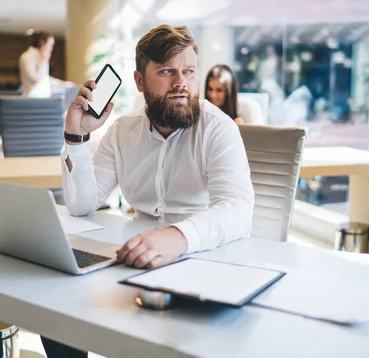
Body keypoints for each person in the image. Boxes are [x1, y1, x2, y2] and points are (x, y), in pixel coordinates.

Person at [42, 25, 255, 357]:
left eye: (189, 71)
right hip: (139, 260)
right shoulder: (122, 132)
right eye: (167, 71)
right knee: (55, 304)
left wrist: (177, 237)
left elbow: (238, 210)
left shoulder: (219, 129)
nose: (180, 82)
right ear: (140, 81)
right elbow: (82, 203)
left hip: (205, 261)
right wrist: (76, 137)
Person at [19, 31, 55, 98]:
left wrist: (64, 84)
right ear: (42, 43)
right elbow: (35, 79)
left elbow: (44, 78)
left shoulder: (42, 57)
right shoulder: (27, 57)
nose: (51, 49)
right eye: (50, 45)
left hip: (45, 97)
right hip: (32, 99)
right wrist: (44, 60)